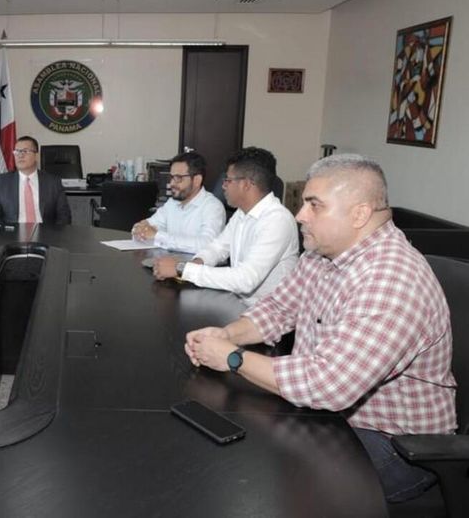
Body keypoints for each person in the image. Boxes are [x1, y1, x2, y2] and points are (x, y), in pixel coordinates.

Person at [185, 154, 456, 503]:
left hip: (394, 445)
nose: (300, 215)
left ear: (359, 214)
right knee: (238, 446)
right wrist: (227, 335)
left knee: (262, 475)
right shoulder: (322, 254)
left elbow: (328, 384)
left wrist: (233, 358)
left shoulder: (391, 278)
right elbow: (278, 308)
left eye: (315, 205)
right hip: (332, 418)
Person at [153, 147, 298, 307]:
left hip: (270, 313)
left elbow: (245, 279)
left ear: (246, 184)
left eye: (228, 180)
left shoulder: (277, 220)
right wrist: (196, 263)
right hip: (240, 303)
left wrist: (182, 269)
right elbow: (217, 248)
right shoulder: (241, 214)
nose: (223, 186)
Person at [131, 151, 225, 254]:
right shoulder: (172, 203)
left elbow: (206, 245)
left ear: (197, 180)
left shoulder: (213, 207)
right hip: (168, 261)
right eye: (171, 177)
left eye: (178, 178)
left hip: (194, 264)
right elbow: (151, 225)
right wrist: (139, 229)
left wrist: (158, 236)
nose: (171, 183)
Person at [0, 135, 72, 226]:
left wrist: (53, 233)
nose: (20, 155)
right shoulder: (2, 182)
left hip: (45, 233)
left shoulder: (53, 182)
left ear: (36, 156)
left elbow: (64, 215)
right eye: (17, 151)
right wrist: (2, 232)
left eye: (25, 151)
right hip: (13, 233)